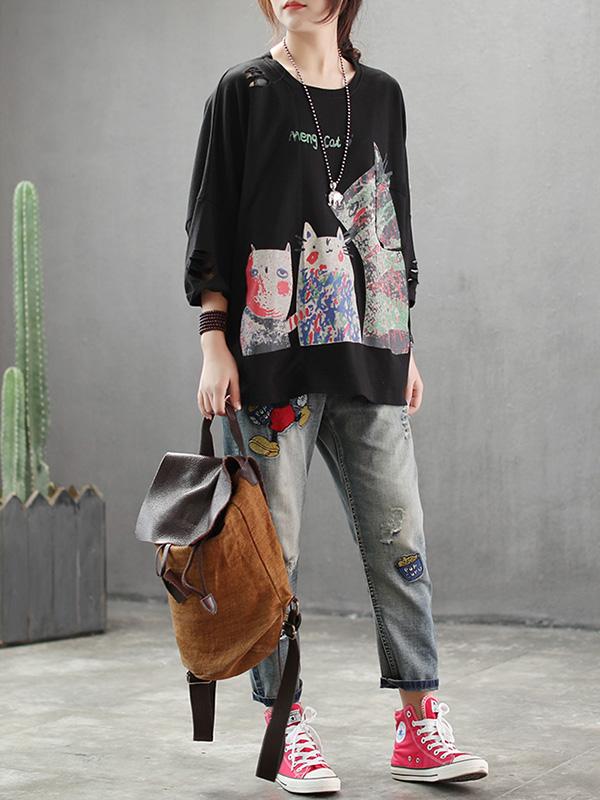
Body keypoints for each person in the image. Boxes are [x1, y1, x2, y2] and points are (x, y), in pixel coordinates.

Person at [184, 0, 489, 792]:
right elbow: (210, 219)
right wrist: (213, 338)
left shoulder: (381, 94)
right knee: (270, 557)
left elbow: (394, 223)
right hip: (267, 367)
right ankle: (283, 724)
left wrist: (404, 342)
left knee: (400, 540)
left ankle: (419, 725)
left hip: (369, 355)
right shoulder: (245, 91)